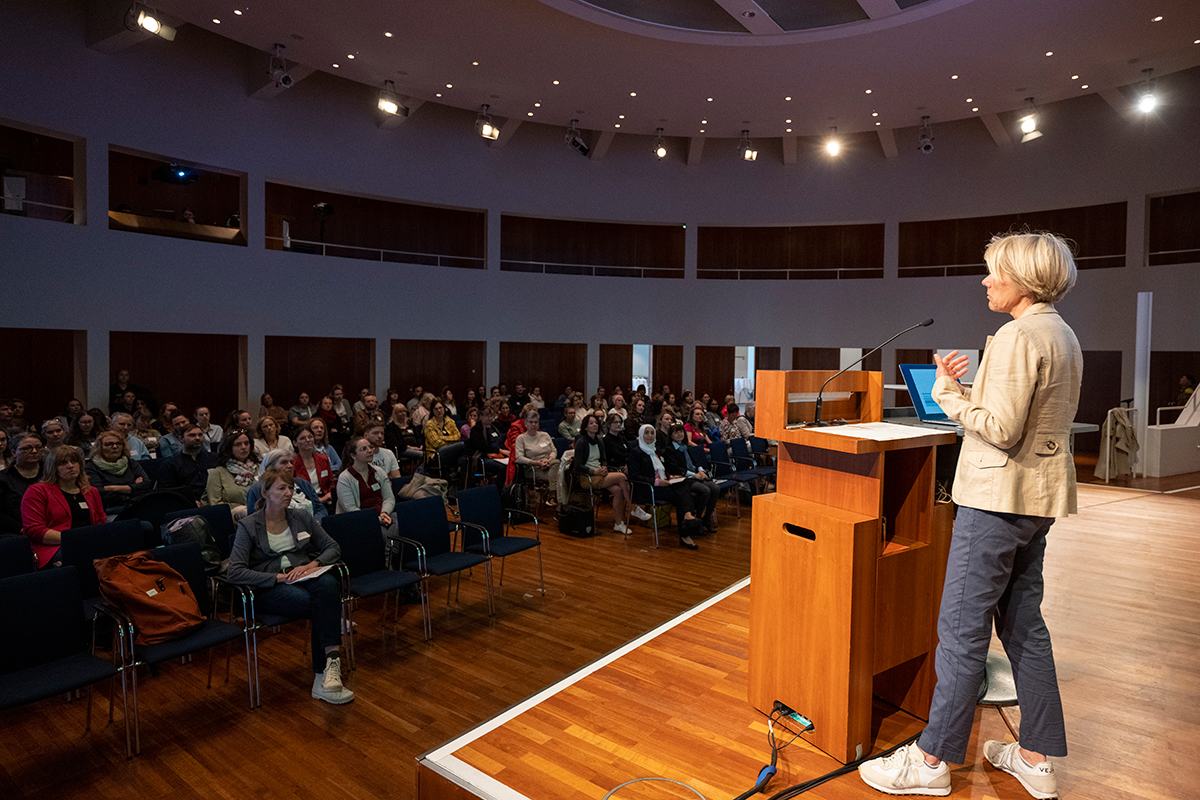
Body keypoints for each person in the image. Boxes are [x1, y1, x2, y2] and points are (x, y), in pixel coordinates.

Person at [857, 232, 1082, 799]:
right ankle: (1035, 755)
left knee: (960, 631)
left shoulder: (1016, 334)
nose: (985, 281)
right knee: (1025, 626)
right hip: (1036, 502)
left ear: (1023, 279)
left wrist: (948, 393)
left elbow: (1000, 429)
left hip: (994, 503)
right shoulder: (1062, 333)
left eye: (994, 272)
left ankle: (931, 760)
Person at [227, 468, 352, 704]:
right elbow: (235, 571)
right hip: (269, 587)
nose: (288, 493)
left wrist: (314, 564)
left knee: (326, 581)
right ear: (265, 493)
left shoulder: (301, 516)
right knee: (323, 602)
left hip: (303, 578)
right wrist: (278, 578)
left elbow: (333, 547)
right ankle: (326, 671)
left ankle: (328, 669)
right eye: (281, 488)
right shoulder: (249, 525)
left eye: (290, 488)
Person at [20, 445, 106, 568]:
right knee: (87, 556)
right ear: (52, 468)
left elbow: (101, 522)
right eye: (63, 463)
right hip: (54, 547)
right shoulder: (37, 491)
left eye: (74, 461)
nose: (70, 466)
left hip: (89, 542)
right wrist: (75, 539)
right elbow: (35, 531)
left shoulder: (91, 491)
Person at [626, 425, 701, 550]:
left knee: (683, 484)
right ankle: (685, 531)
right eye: (647, 433)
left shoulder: (655, 451)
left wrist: (671, 476)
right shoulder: (636, 453)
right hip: (647, 489)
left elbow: (663, 470)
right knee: (681, 495)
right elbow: (634, 476)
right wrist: (657, 482)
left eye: (652, 433)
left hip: (663, 485)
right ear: (641, 435)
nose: (650, 436)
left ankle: (687, 518)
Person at [574, 414, 632, 534]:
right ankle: (633, 507)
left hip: (600, 474)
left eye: (596, 423)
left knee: (617, 490)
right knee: (622, 477)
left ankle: (618, 523)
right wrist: (594, 471)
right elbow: (578, 465)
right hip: (588, 477)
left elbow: (604, 459)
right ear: (585, 427)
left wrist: (604, 467)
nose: (594, 425)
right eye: (591, 423)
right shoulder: (581, 442)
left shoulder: (599, 441)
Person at [336, 435, 397, 538]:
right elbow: (350, 509)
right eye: (364, 449)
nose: (369, 451)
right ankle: (390, 553)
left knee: (402, 519)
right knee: (382, 533)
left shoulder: (379, 471)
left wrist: (384, 513)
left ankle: (391, 552)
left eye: (370, 447)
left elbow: (389, 498)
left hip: (383, 514)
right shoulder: (345, 478)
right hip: (361, 519)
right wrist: (377, 519)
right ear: (353, 456)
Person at [662, 423, 719, 532]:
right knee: (705, 490)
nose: (679, 434)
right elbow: (675, 469)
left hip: (694, 475)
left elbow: (695, 462)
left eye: (681, 431)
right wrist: (694, 475)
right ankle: (697, 521)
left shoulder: (685, 447)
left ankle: (706, 519)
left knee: (715, 488)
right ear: (671, 435)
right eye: (676, 432)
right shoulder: (670, 450)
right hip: (684, 478)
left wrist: (701, 470)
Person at [245, 449, 327, 521]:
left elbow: (320, 508)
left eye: (291, 462)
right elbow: (255, 521)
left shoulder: (302, 483)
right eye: (284, 462)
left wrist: (317, 521)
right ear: (269, 468)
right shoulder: (257, 489)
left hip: (313, 528)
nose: (290, 466)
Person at [86, 430, 151, 514]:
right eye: (109, 444)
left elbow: (147, 484)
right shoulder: (91, 467)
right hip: (110, 510)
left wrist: (112, 488)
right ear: (100, 447)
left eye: (119, 443)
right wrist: (133, 488)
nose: (115, 446)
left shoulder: (131, 462)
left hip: (136, 504)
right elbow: (99, 494)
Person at [204, 429, 260, 519]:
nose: (244, 447)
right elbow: (215, 505)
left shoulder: (259, 468)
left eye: (246, 443)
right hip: (232, 519)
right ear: (229, 448)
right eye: (238, 444)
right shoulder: (217, 472)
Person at [159, 423, 219, 505]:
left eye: (200, 435)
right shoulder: (170, 464)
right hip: (187, 504)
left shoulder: (214, 458)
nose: (197, 438)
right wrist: (189, 502)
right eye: (192, 435)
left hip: (215, 500)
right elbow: (168, 492)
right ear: (181, 439)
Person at [514, 409, 560, 499]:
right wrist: (538, 463)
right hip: (533, 469)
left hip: (550, 465)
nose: (533, 424)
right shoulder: (521, 438)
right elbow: (519, 458)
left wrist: (548, 460)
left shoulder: (545, 435)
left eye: (536, 422)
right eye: (531, 422)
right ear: (526, 423)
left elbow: (554, 451)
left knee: (557, 463)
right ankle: (554, 498)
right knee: (559, 476)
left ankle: (553, 496)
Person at [465, 402, 508, 485]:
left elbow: (500, 443)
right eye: (487, 415)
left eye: (491, 416)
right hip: (482, 457)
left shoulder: (495, 428)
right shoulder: (476, 430)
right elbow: (482, 446)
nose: (490, 418)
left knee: (514, 464)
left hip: (498, 456)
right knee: (503, 468)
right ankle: (496, 489)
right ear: (481, 416)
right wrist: (499, 450)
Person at [292, 423, 334, 507]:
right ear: (295, 443)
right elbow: (295, 491)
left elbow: (331, 482)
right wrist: (319, 500)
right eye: (302, 438)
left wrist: (329, 494)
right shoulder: (292, 463)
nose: (308, 440)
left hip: (327, 500)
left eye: (310, 437)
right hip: (305, 503)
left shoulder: (323, 458)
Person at [423, 399, 463, 479]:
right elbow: (436, 443)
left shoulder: (450, 421)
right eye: (436, 409)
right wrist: (452, 442)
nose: (439, 411)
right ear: (432, 411)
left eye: (440, 408)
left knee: (464, 458)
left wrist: (442, 438)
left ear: (444, 408)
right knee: (462, 445)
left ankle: (462, 480)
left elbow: (458, 436)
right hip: (435, 453)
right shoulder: (429, 424)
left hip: (451, 451)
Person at [384, 404, 423, 469]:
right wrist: (409, 447)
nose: (403, 413)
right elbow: (393, 442)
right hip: (402, 450)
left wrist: (420, 445)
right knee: (422, 455)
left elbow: (417, 436)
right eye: (400, 412)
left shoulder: (409, 423)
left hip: (415, 448)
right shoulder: (391, 426)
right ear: (395, 413)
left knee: (428, 453)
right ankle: (415, 471)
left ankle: (417, 470)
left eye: (404, 411)